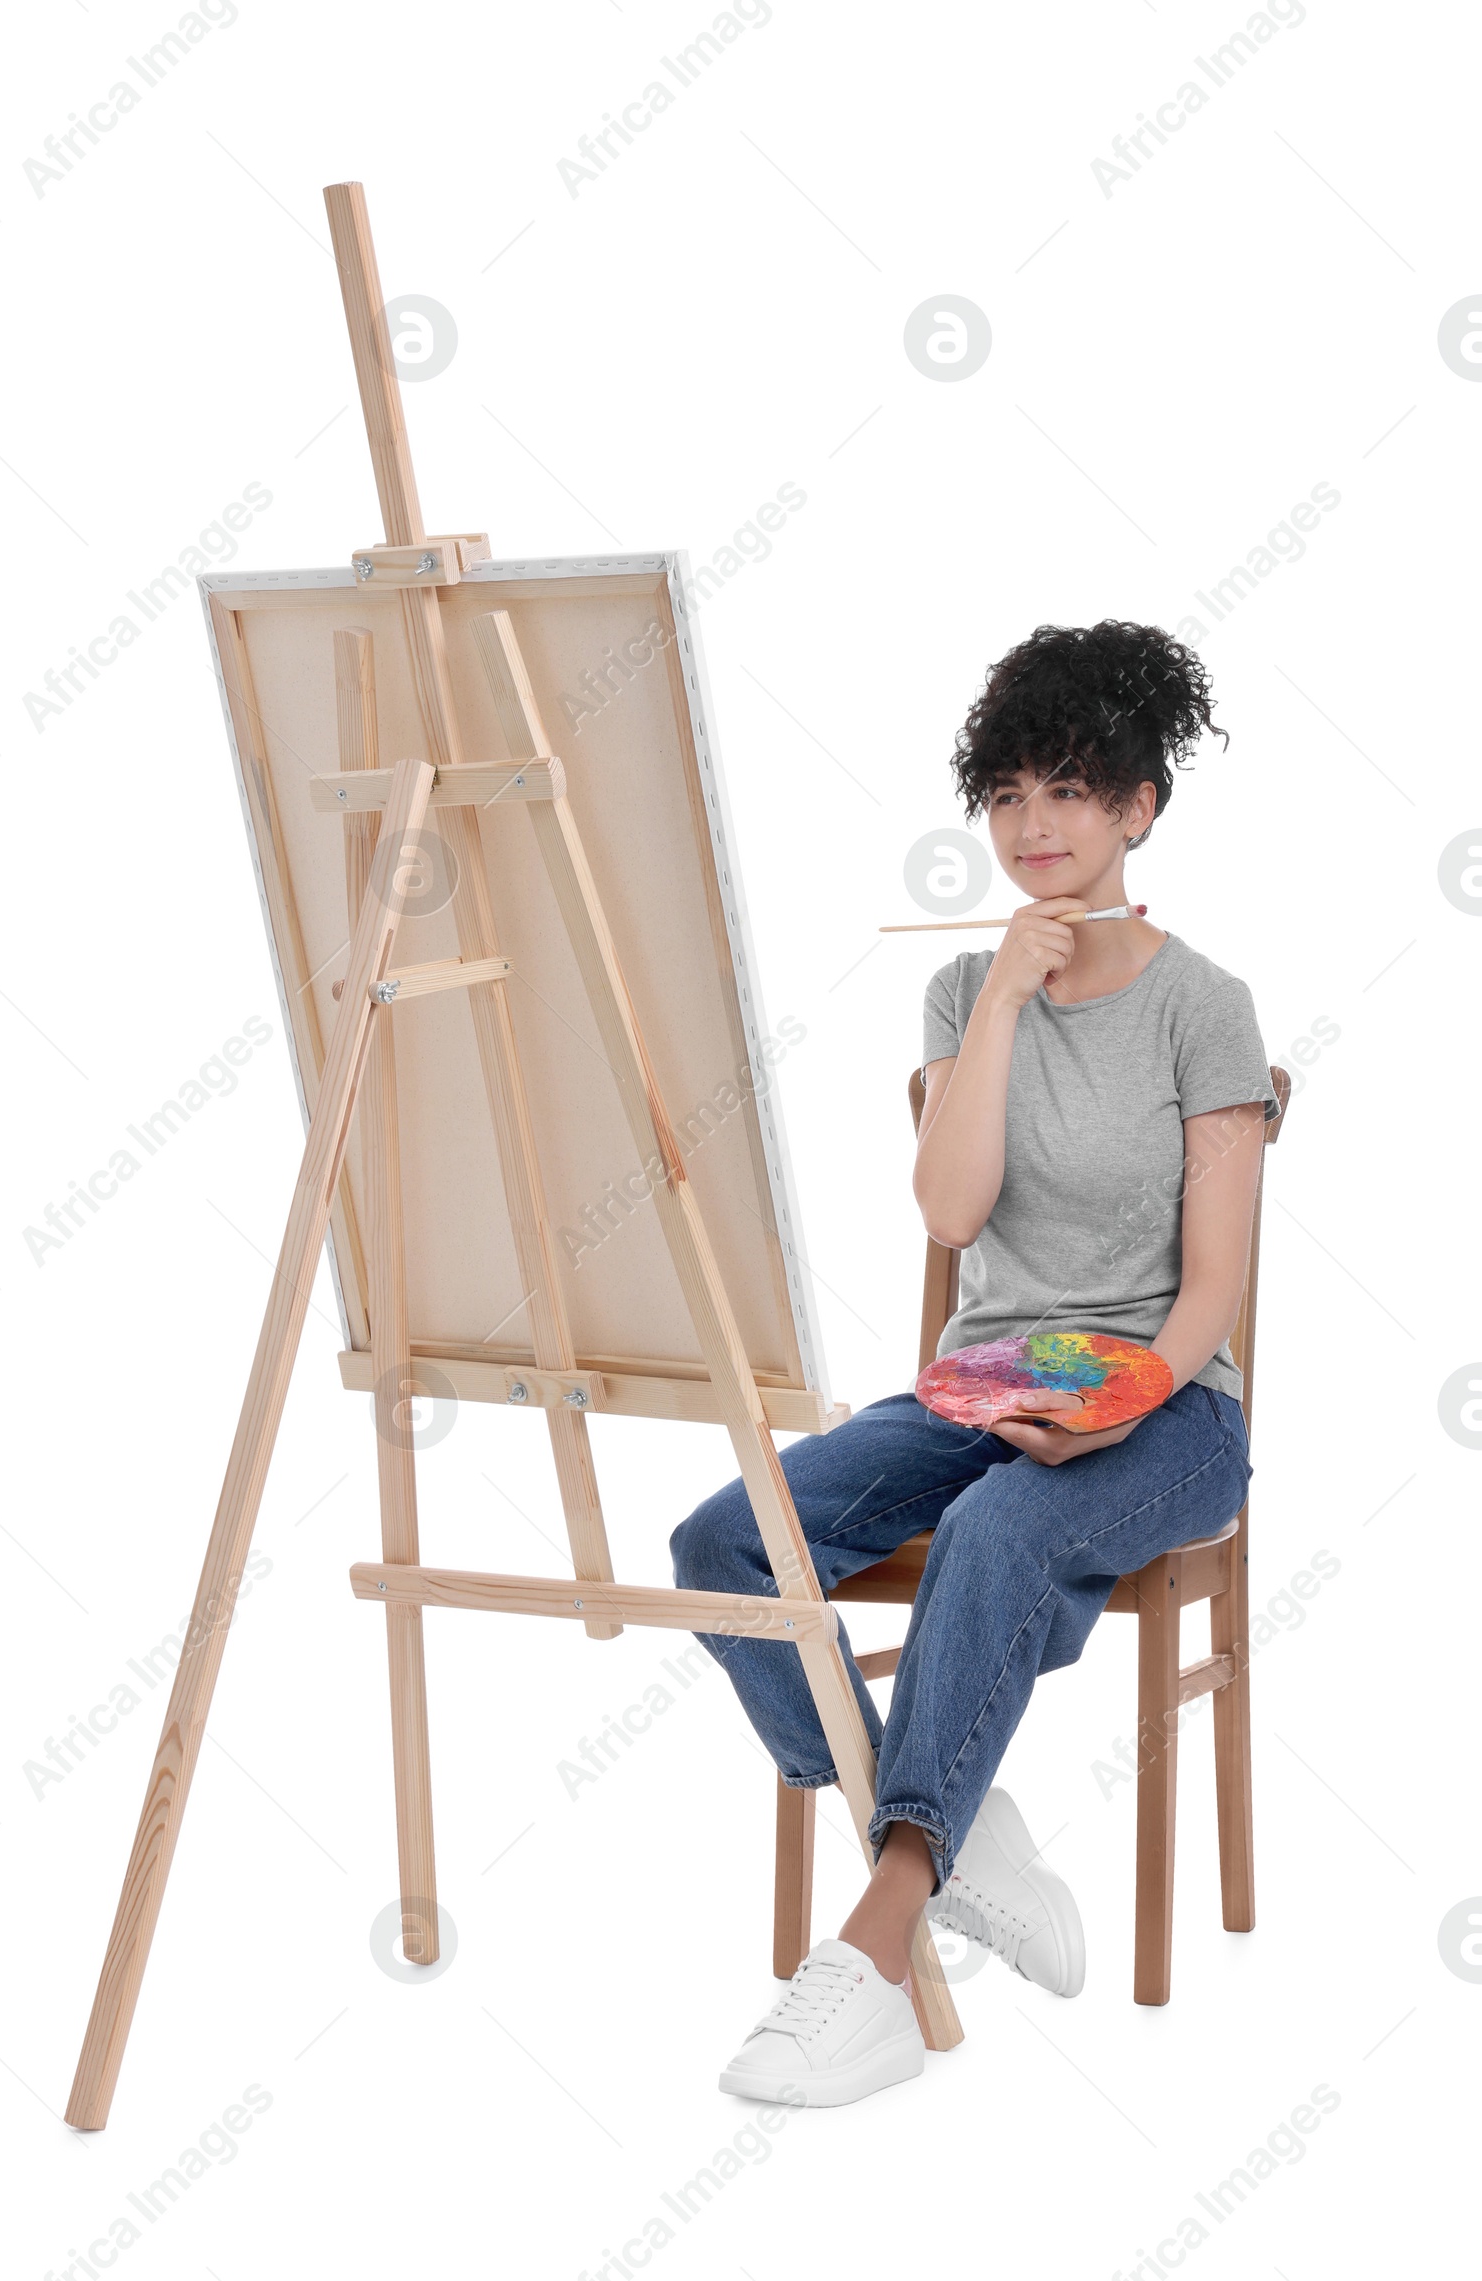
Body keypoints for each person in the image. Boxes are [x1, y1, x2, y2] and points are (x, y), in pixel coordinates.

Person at [670, 619, 1280, 2108]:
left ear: (1140, 808)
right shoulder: (960, 996)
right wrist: (1003, 995)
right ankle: (944, 1822)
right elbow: (951, 1212)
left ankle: (876, 1948)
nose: (1035, 826)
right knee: (724, 1535)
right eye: (1008, 793)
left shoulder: (1207, 1006)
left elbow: (1213, 1291)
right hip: (981, 1386)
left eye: (1071, 790)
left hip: (1169, 1407)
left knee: (1005, 1525)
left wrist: (1118, 1400)